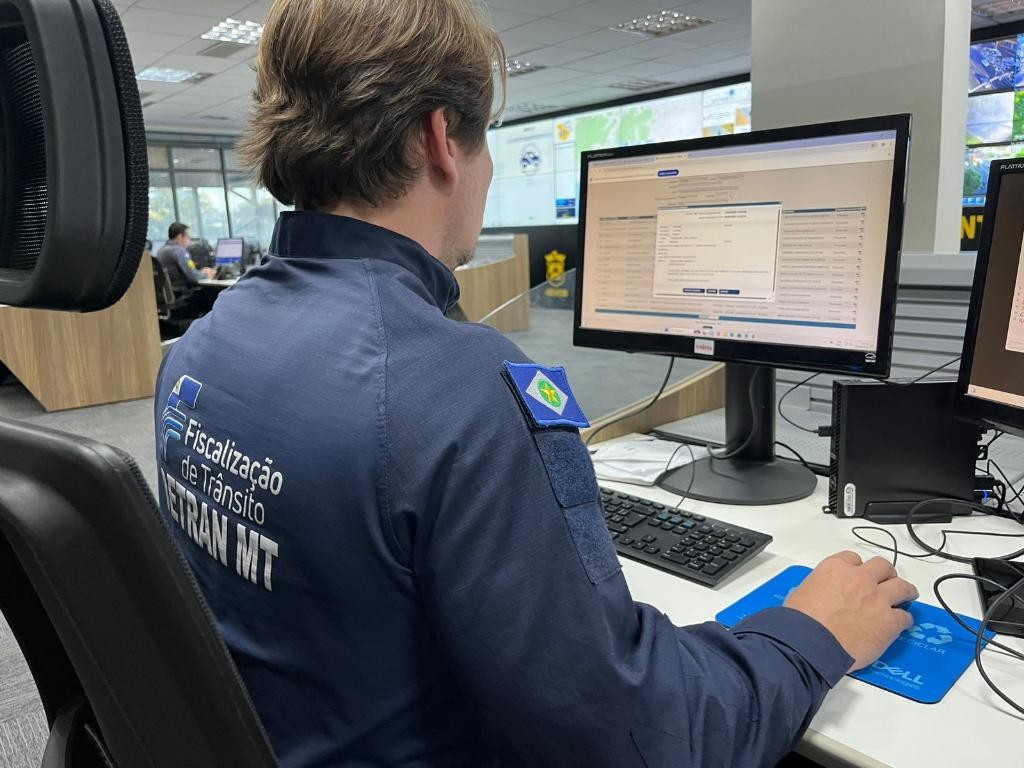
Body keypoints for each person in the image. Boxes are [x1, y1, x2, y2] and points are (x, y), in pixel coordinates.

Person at [152, 1, 919, 766]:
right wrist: (809, 634)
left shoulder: (201, 347)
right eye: (488, 139)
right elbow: (636, 735)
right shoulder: (461, 390)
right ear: (441, 139)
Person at [156, 222, 215, 295]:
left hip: (169, 295)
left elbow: (189, 272)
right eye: (188, 237)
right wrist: (208, 275)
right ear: (180, 236)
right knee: (212, 293)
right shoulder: (179, 251)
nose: (190, 241)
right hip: (182, 294)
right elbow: (193, 276)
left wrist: (201, 272)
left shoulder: (161, 250)